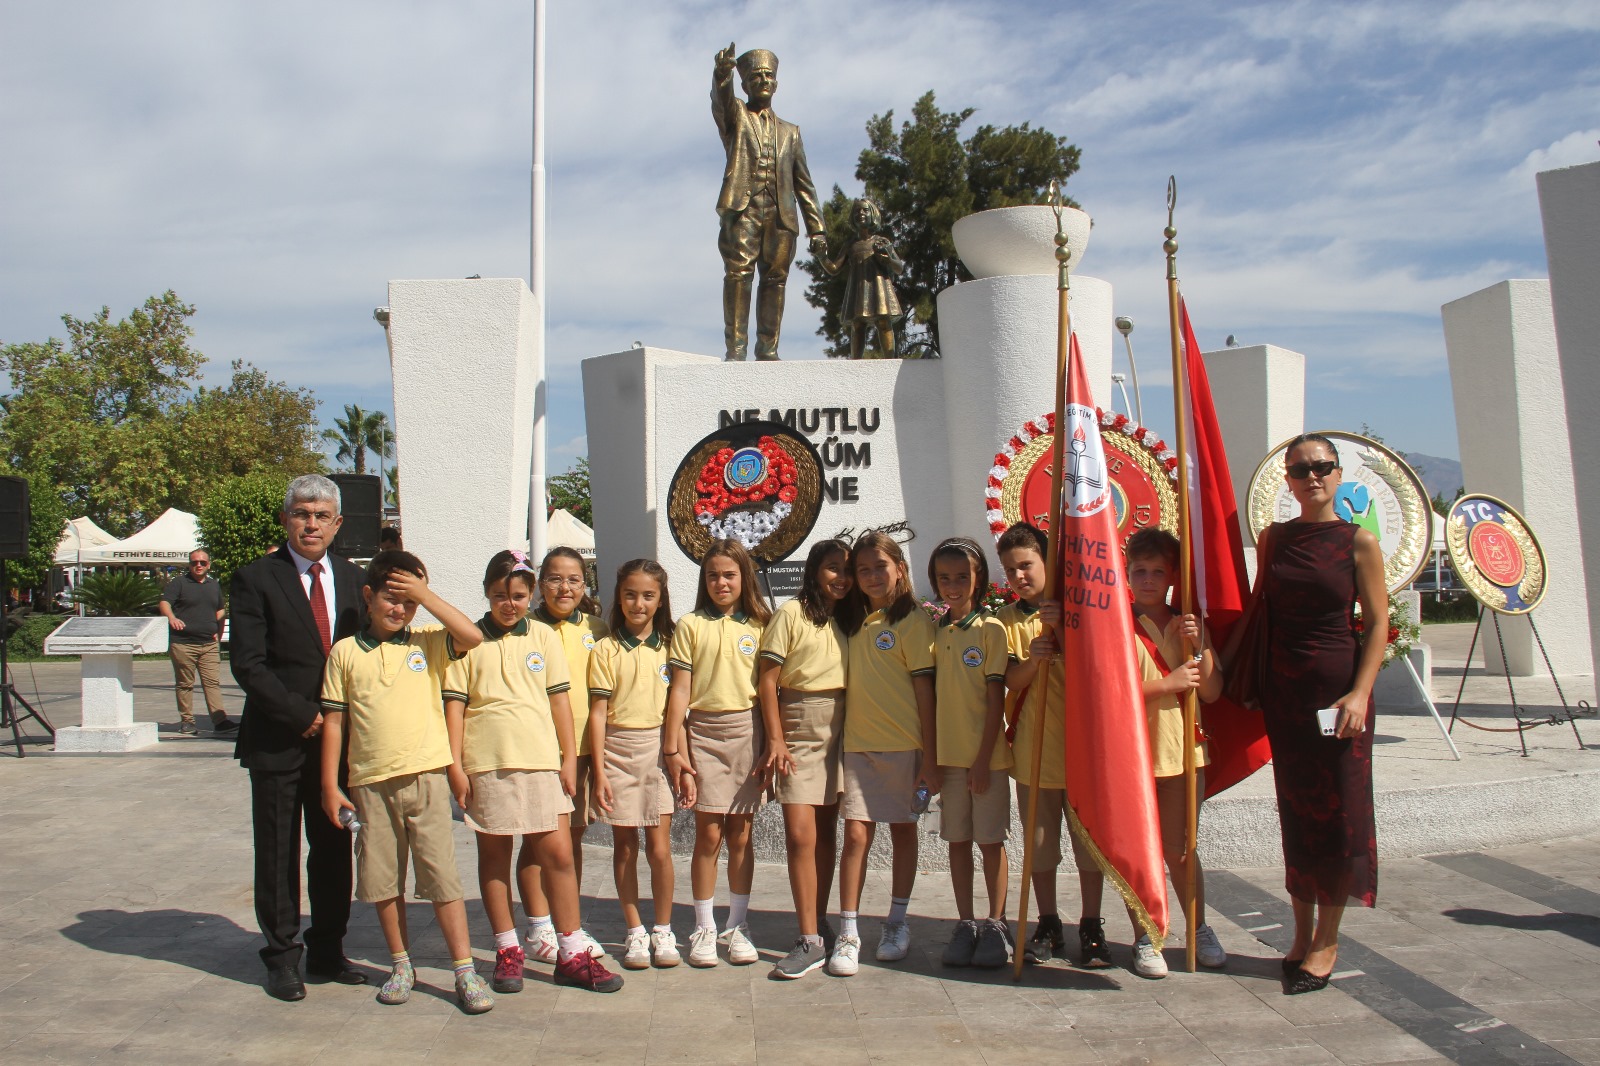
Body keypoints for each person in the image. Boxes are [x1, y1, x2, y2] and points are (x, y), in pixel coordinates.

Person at [1235, 434, 1387, 995]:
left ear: (1338, 472)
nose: (1312, 477)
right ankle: (1300, 935)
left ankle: (1328, 940)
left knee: (1340, 814)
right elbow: (1259, 609)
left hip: (1338, 694)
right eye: (1300, 470)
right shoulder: (1273, 539)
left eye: (1322, 467)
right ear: (1288, 481)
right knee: (1297, 813)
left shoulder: (1359, 542)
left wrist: (1361, 694)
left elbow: (1376, 623)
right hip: (1287, 696)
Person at [443, 551, 623, 996]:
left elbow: (560, 700)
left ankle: (571, 952)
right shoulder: (466, 641)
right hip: (487, 763)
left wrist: (566, 758)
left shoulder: (542, 636)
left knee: (558, 855)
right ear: (488, 592)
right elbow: (455, 706)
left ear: (530, 594)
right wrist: (455, 767)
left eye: (519, 595)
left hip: (543, 761)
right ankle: (507, 949)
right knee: (495, 858)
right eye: (502, 595)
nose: (511, 603)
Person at [319, 550, 491, 1013]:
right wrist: (329, 785)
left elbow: (472, 635)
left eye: (408, 602)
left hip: (427, 777)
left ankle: (463, 969)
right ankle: (401, 964)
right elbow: (334, 723)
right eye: (392, 599)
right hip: (370, 783)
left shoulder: (429, 643)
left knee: (441, 876)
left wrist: (423, 594)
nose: (400, 610)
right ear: (369, 597)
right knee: (383, 879)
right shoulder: (346, 652)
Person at [230, 475, 367, 1001]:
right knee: (278, 850)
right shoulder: (255, 578)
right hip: (278, 738)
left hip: (340, 746)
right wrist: (305, 716)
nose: (311, 523)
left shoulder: (357, 582)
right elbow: (248, 664)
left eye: (321, 515)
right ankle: (282, 957)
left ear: (337, 524)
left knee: (333, 848)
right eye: (301, 513)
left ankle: (328, 951)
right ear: (286, 519)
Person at [1082, 528, 1227, 978]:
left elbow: (1214, 692)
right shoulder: (1115, 625)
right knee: (1137, 849)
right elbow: (1106, 693)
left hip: (1184, 752)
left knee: (1183, 849)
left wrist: (1201, 645)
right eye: (1139, 570)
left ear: (1170, 577)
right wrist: (1168, 684)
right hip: (1133, 754)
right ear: (1125, 574)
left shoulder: (1186, 625)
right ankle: (1146, 933)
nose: (1148, 579)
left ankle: (1198, 927)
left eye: (1158, 571)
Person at [830, 530, 936, 977]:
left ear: (900, 569)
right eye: (863, 569)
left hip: (905, 748)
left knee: (903, 833)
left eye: (881, 567)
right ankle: (849, 931)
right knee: (855, 837)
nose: (872, 576)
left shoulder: (915, 622)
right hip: (858, 748)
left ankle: (896, 922)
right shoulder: (850, 621)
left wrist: (929, 760)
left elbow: (926, 696)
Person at [997, 523, 1102, 967]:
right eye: (1010, 569)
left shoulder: (1081, 611)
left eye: (1026, 565)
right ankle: (1048, 921)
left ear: (1047, 562)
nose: (1019, 576)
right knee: (1040, 844)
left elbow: (1101, 668)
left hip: (1082, 753)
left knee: (1088, 846)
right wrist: (1035, 658)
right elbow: (1008, 680)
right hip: (1033, 752)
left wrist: (1068, 630)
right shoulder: (1005, 621)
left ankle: (1092, 924)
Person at [664, 539, 772, 967]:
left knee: (741, 834)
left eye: (729, 574)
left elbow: (769, 691)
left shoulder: (761, 623)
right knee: (708, 833)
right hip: (703, 733)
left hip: (748, 731)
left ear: (744, 576)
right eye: (712, 575)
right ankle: (704, 926)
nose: (721, 582)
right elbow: (680, 690)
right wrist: (674, 749)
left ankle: (738, 924)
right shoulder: (690, 625)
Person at [757, 538, 851, 979]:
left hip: (845, 727)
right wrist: (775, 739)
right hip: (797, 728)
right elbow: (767, 679)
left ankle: (820, 922)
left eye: (847, 569)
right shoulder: (790, 614)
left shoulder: (851, 618)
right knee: (800, 836)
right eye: (833, 568)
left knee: (828, 833)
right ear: (815, 570)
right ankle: (807, 938)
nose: (842, 577)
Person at [589, 560, 680, 970]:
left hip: (659, 749)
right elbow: (598, 713)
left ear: (660, 600)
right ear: (618, 597)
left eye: (648, 595)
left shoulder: (674, 645)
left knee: (660, 848)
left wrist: (680, 755)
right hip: (617, 751)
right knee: (625, 846)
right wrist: (599, 771)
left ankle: (663, 929)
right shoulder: (606, 648)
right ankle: (635, 931)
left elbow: (684, 707)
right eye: (630, 594)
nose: (638, 603)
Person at [928, 538, 1014, 969]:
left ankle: (996, 922)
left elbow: (996, 699)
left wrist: (982, 759)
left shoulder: (990, 629)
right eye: (944, 579)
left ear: (979, 579)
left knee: (989, 842)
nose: (953, 586)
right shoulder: (938, 630)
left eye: (962, 577)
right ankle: (966, 922)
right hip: (950, 761)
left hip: (987, 761)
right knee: (957, 841)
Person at [711, 42, 827, 361]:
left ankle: (768, 349)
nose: (763, 80)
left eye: (768, 76)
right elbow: (721, 102)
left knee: (775, 279)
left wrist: (817, 229)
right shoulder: (736, 117)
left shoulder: (791, 132)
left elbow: (804, 185)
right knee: (739, 274)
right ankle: (736, 349)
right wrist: (722, 75)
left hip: (781, 217)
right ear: (745, 83)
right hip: (743, 210)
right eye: (756, 76)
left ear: (776, 83)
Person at [521, 547, 609, 963]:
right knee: (535, 842)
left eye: (574, 579)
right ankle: (539, 928)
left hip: (582, 752)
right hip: (539, 752)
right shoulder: (523, 626)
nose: (565, 587)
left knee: (571, 838)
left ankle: (565, 923)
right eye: (555, 578)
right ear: (540, 583)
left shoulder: (597, 627)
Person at [818, 197, 904, 359]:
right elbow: (834, 268)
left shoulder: (881, 242)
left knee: (884, 323)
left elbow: (899, 268)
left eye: (865, 210)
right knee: (858, 325)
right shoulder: (851, 245)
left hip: (879, 288)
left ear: (873, 214)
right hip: (858, 290)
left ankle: (890, 361)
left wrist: (888, 260)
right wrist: (822, 257)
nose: (861, 213)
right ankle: (855, 362)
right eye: (857, 210)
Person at [161, 548, 234, 736]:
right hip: (183, 644)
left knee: (212, 683)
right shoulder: (179, 583)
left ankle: (219, 720)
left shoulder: (213, 585)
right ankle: (187, 721)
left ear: (209, 564)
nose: (198, 565)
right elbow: (165, 602)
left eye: (202, 562)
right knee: (185, 683)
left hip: (208, 644)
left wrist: (218, 632)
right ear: (189, 564)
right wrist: (171, 618)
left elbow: (220, 610)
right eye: (194, 562)